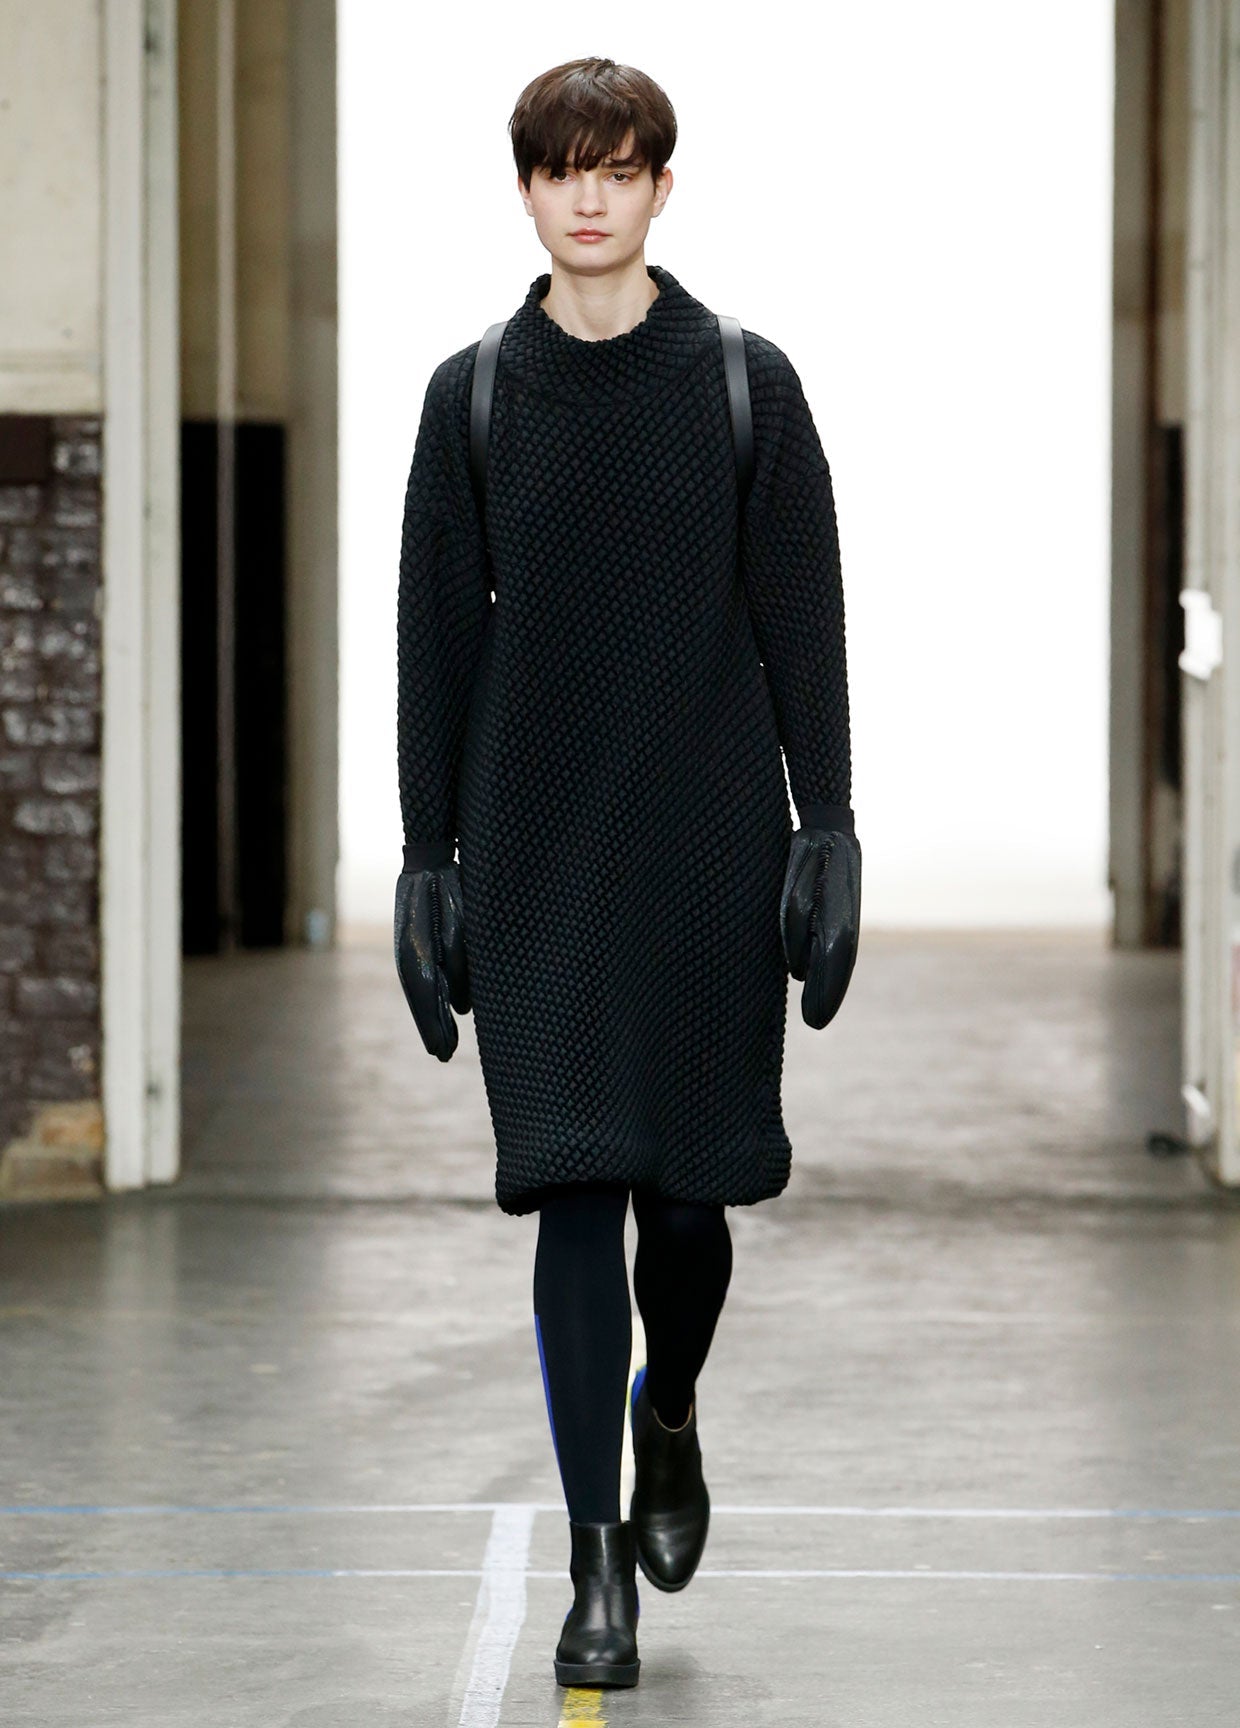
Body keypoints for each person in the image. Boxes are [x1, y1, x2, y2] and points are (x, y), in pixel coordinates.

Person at [393, 57, 861, 1690]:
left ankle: (672, 1409)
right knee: (575, 1185)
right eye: (560, 170)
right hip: (535, 848)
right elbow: (435, 642)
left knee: (689, 1203)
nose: (587, 198)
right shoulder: (473, 398)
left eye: (618, 168)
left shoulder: (744, 383)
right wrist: (426, 860)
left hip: (708, 843)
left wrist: (828, 826)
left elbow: (802, 616)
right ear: (525, 190)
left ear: (664, 185)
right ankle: (598, 1569)